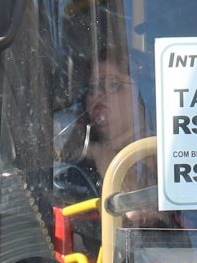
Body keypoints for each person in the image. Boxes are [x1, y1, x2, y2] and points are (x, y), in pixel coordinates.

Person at [53, 54, 149, 206]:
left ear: (141, 96)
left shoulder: (167, 153)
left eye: (114, 85)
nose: (97, 95)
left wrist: (103, 156)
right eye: (92, 88)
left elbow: (138, 212)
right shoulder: (77, 166)